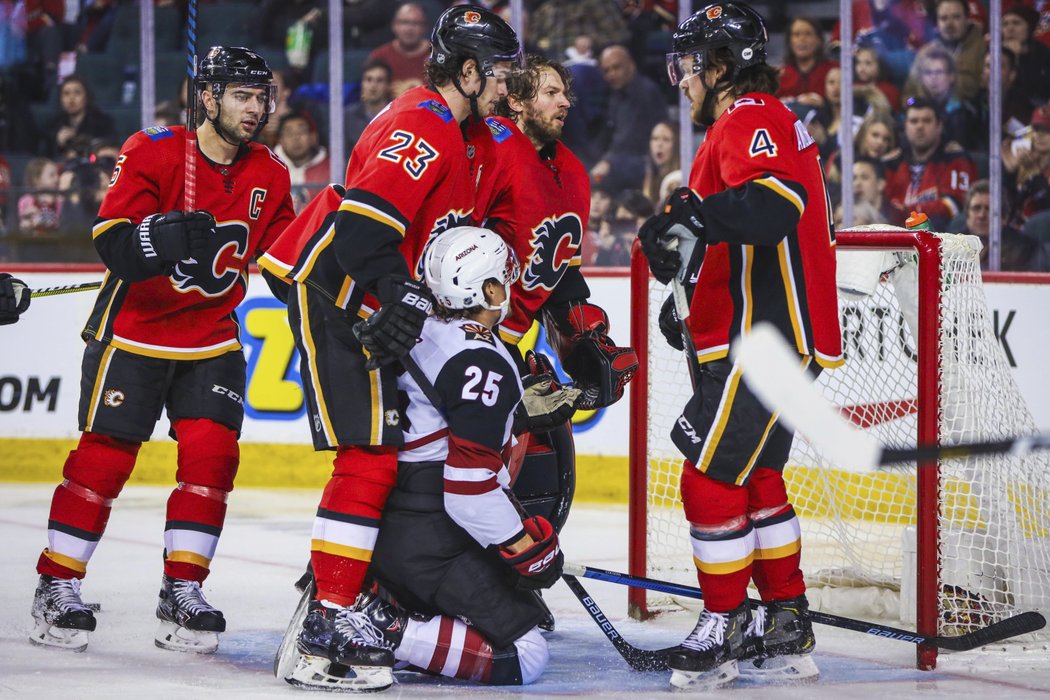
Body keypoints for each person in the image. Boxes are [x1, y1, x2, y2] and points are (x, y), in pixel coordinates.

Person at [258, 6, 522, 691]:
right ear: (467, 70)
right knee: (370, 451)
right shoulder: (423, 122)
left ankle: (348, 595)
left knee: (388, 449)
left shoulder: (466, 134)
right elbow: (360, 232)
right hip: (336, 292)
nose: (506, 88)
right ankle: (330, 624)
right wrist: (402, 296)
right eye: (497, 74)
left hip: (373, 296)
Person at [27, 46, 294, 655]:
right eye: (241, 96)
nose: (255, 109)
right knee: (105, 459)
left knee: (212, 460)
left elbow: (283, 261)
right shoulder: (155, 148)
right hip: (134, 333)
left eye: (262, 97)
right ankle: (57, 583)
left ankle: (183, 589)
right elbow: (114, 244)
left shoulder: (271, 174)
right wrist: (158, 235)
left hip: (212, 338)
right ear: (208, 96)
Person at [639, 3, 842, 690]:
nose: (684, 80)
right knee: (756, 479)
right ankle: (785, 621)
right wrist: (686, 300)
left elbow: (774, 205)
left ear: (721, 66)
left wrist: (696, 215)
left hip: (767, 340)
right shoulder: (741, 123)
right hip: (760, 336)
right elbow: (727, 234)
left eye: (692, 64)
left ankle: (721, 625)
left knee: (706, 474)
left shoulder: (750, 115)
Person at [360, 226, 574, 689]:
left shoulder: (423, 329)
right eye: (503, 278)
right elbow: (468, 490)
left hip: (395, 516)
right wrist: (525, 548)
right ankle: (379, 628)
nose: (509, 286)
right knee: (526, 655)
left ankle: (378, 601)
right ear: (489, 289)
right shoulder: (484, 362)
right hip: (428, 531)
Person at [473, 53, 637, 411]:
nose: (564, 102)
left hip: (506, 340)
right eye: (550, 92)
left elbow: (560, 269)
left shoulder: (572, 172)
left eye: (564, 94)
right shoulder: (487, 147)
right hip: (454, 334)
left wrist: (580, 336)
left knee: (549, 444)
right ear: (515, 101)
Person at [882, 97, 977, 229]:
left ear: (939, 126)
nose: (920, 126)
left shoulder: (956, 159)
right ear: (905, 127)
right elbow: (880, 207)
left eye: (926, 121)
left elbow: (954, 206)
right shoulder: (891, 163)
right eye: (914, 121)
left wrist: (904, 212)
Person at [591, 45, 666, 183]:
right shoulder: (614, 94)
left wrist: (608, 162)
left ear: (631, 65)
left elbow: (629, 139)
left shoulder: (645, 93)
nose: (611, 74)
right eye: (607, 70)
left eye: (616, 67)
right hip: (622, 162)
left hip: (643, 165)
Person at [959, 179, 1050, 271]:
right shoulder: (952, 247)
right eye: (976, 208)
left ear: (1004, 218)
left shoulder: (1022, 250)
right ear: (967, 216)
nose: (981, 215)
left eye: (989, 209)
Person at [904, 0, 985, 102]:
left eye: (956, 17)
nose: (949, 24)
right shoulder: (925, 52)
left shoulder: (983, 48)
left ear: (967, 19)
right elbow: (908, 95)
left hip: (969, 112)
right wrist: (914, 104)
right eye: (943, 18)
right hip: (928, 114)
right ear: (937, 23)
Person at [41, 75, 115, 159]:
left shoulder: (102, 123)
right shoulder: (52, 125)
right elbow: (42, 158)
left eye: (77, 93)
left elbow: (109, 151)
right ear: (61, 99)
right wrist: (57, 143)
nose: (71, 98)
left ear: (86, 97)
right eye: (66, 93)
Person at [366, 2, 431, 96]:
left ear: (425, 27)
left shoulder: (436, 54)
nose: (409, 29)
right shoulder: (379, 56)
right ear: (394, 26)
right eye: (404, 22)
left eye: (415, 23)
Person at [274, 111, 330, 212]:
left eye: (302, 132)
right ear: (280, 140)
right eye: (289, 133)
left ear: (313, 137)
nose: (296, 138)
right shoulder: (270, 167)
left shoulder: (330, 168)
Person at [777, 17, 836, 108]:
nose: (802, 39)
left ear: (819, 40)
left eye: (808, 34)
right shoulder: (779, 75)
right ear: (789, 41)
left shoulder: (833, 71)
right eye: (796, 34)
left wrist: (823, 104)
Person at [344, 59, 393, 148]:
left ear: (388, 85)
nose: (373, 86)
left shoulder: (397, 114)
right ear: (362, 83)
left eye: (379, 80)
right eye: (368, 79)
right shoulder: (348, 116)